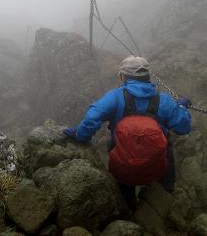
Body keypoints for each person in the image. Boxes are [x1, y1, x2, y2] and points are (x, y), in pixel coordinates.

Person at [64, 55, 192, 210]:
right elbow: (184, 127)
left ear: (123, 76)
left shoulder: (115, 97)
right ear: (148, 77)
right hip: (157, 167)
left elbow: (92, 118)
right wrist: (181, 107)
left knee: (118, 160)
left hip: (125, 169)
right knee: (166, 145)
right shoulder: (163, 101)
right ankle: (166, 192)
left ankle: (128, 208)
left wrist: (80, 135)